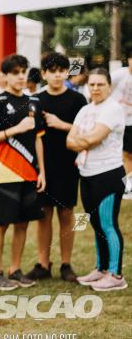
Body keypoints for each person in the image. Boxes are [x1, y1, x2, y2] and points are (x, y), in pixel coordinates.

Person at [0, 54, 46, 291]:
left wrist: (42, 172)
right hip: (4, 172)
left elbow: (39, 140)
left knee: (23, 223)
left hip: (30, 173)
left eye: (23, 72)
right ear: (5, 76)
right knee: (1, 223)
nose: (21, 77)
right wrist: (15, 130)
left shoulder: (34, 103)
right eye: (15, 72)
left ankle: (15, 270)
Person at [26, 52, 87, 282]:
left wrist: (61, 125)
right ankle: (43, 264)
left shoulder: (78, 100)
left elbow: (85, 131)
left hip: (69, 165)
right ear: (44, 74)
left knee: (66, 213)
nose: (57, 75)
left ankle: (66, 264)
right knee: (43, 215)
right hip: (42, 166)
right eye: (52, 71)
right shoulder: (35, 100)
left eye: (62, 70)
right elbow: (31, 134)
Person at [67, 68, 127, 291]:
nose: (95, 88)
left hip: (108, 175)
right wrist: (81, 140)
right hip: (87, 174)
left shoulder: (113, 109)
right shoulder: (84, 109)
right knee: (94, 223)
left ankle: (116, 274)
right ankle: (101, 269)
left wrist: (80, 140)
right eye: (92, 84)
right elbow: (69, 141)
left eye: (100, 84)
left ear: (109, 86)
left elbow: (92, 138)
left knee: (108, 223)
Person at [111, 49, 132, 199]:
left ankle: (127, 186)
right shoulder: (120, 74)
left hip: (131, 122)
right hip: (117, 122)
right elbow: (104, 86)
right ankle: (124, 186)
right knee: (122, 154)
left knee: (128, 154)